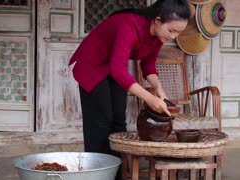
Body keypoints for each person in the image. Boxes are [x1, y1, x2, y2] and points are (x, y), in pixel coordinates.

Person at [69, 0, 190, 156]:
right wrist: (149, 98)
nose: (173, 36)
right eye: (172, 30)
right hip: (92, 65)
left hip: (114, 65)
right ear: (158, 21)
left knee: (119, 121)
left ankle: (119, 171)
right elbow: (118, 70)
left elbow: (148, 64)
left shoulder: (159, 35)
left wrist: (158, 88)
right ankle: (99, 171)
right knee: (100, 123)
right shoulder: (129, 24)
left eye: (178, 32)